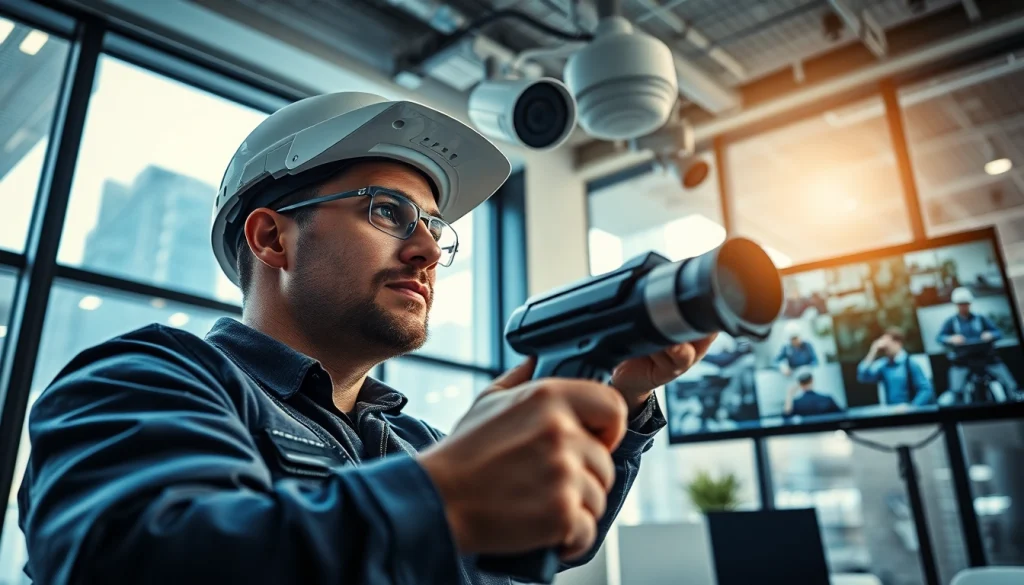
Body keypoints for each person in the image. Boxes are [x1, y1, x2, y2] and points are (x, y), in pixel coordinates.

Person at [15, 92, 716, 585]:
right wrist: (443, 501)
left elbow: (526, 549)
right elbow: (138, 560)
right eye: (390, 212)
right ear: (272, 236)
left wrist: (622, 399)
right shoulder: (148, 377)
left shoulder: (411, 439)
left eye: (437, 230)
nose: (428, 251)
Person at [936, 286, 1018, 397]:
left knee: (1010, 384)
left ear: (970, 304)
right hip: (962, 361)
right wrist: (950, 338)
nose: (963, 307)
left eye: (966, 303)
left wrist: (991, 334)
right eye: (960, 304)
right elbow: (939, 338)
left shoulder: (981, 318)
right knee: (955, 391)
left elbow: (998, 333)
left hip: (987, 358)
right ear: (956, 305)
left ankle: (1014, 396)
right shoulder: (951, 321)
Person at [856, 327, 934, 406]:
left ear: (898, 343)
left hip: (908, 413)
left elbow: (926, 390)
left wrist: (912, 407)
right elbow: (863, 376)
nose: (885, 348)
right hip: (891, 412)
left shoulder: (910, 363)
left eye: (887, 344)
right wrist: (873, 351)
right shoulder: (883, 365)